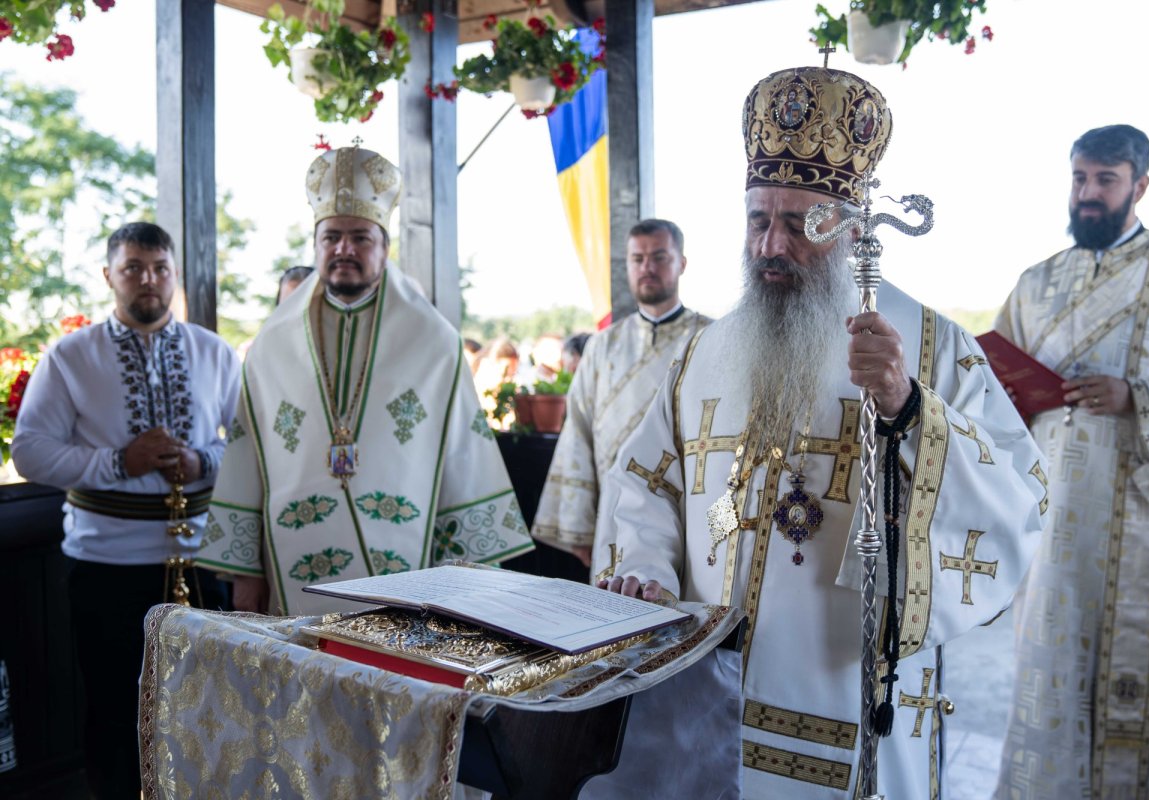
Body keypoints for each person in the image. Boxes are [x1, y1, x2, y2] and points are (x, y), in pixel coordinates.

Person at [598, 67, 1047, 798]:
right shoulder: (705, 350)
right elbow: (647, 481)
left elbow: (1022, 495)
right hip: (702, 703)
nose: (772, 244)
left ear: (851, 225)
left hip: (845, 700)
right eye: (757, 220)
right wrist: (645, 567)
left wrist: (908, 406)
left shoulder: (934, 346)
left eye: (799, 222)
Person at [195, 146, 534, 616]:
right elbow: (244, 458)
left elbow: (463, 452)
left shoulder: (433, 342)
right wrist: (247, 577)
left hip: (408, 568)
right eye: (331, 237)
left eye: (360, 237)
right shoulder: (271, 345)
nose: (344, 249)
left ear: (384, 247)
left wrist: (466, 582)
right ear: (315, 246)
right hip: (292, 572)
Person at [993, 125, 1149, 799]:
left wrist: (1139, 397)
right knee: (1050, 676)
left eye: (1104, 180)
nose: (1087, 193)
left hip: (1146, 523)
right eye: (1079, 178)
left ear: (1140, 186)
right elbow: (993, 398)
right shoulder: (1036, 282)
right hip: (1054, 528)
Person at [11, 221, 239, 799]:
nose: (148, 280)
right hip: (106, 564)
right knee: (116, 711)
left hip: (203, 562)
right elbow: (29, 451)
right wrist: (118, 461)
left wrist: (201, 460)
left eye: (160, 268)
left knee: (210, 705)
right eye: (133, 267)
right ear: (108, 275)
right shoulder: (70, 355)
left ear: (175, 277)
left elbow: (247, 443)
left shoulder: (214, 352)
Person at [532, 219, 709, 572]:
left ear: (682, 263)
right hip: (613, 514)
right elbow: (577, 432)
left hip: (692, 513)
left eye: (659, 257)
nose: (647, 268)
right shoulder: (603, 346)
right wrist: (578, 526)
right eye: (637, 258)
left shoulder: (709, 338)